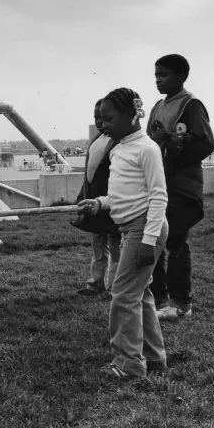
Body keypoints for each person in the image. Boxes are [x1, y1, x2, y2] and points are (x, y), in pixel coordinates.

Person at [77, 88, 169, 380]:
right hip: (131, 227)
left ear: (132, 115)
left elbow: (158, 197)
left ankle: (128, 365)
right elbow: (122, 194)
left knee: (123, 295)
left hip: (144, 229)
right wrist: (100, 203)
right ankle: (155, 359)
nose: (103, 125)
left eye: (110, 118)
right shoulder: (118, 148)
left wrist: (149, 240)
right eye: (101, 119)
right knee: (139, 295)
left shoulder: (147, 148)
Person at [146, 54, 214, 321]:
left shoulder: (192, 105)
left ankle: (181, 303)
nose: (158, 80)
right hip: (159, 184)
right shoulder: (157, 106)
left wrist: (175, 150)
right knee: (156, 240)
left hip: (180, 185)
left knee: (175, 242)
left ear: (181, 76)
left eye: (163, 75)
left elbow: (204, 144)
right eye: (156, 75)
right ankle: (159, 298)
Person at [77, 100, 120, 299]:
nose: (100, 123)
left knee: (116, 247)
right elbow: (89, 174)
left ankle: (115, 287)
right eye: (96, 118)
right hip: (95, 204)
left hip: (113, 205)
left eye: (104, 118)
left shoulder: (120, 142)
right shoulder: (96, 140)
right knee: (98, 247)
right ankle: (95, 283)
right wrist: (83, 196)